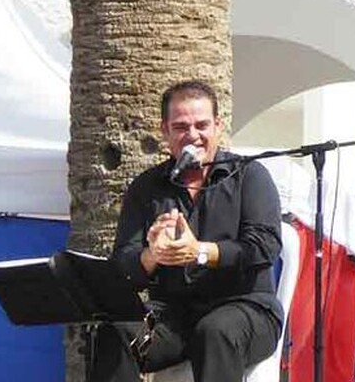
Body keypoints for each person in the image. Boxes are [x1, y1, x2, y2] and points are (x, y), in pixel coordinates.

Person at [90, 80, 282, 381]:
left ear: (218, 126)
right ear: (165, 131)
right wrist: (151, 256)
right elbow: (121, 266)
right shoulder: (147, 187)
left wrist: (201, 252)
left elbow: (264, 247)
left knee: (215, 330)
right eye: (181, 127)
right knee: (113, 332)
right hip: (173, 315)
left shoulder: (248, 175)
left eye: (202, 125)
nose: (193, 136)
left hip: (246, 308)